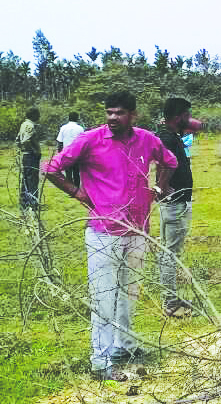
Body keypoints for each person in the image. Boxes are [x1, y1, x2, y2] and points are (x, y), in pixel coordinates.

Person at [42, 91, 177, 382]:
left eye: (119, 113)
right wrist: (78, 193)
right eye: (109, 113)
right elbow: (52, 168)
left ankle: (125, 346)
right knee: (103, 297)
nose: (113, 118)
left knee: (130, 292)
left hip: (138, 230)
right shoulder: (91, 140)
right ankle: (101, 361)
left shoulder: (146, 139)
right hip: (104, 233)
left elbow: (170, 161)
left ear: (133, 115)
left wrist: (158, 188)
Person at [156, 98, 201, 318]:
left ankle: (171, 297)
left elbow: (197, 125)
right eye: (186, 114)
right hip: (175, 203)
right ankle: (171, 303)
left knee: (169, 250)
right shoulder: (167, 138)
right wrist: (164, 189)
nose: (189, 118)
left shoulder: (171, 135)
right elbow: (163, 166)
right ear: (178, 116)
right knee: (170, 253)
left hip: (176, 201)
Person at [16, 107, 43, 211]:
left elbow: (18, 140)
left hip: (25, 155)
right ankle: (33, 203)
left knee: (25, 179)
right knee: (33, 180)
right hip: (31, 156)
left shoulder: (23, 124)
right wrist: (35, 151)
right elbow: (26, 141)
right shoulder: (30, 125)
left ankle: (24, 202)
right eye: (38, 114)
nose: (39, 116)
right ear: (33, 115)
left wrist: (21, 150)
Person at [56, 112, 85, 188]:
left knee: (68, 172)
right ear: (77, 118)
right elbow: (83, 142)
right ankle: (77, 188)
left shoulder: (63, 128)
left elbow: (60, 142)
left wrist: (60, 154)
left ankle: (70, 189)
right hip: (77, 153)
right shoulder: (80, 128)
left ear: (68, 118)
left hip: (66, 153)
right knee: (76, 172)